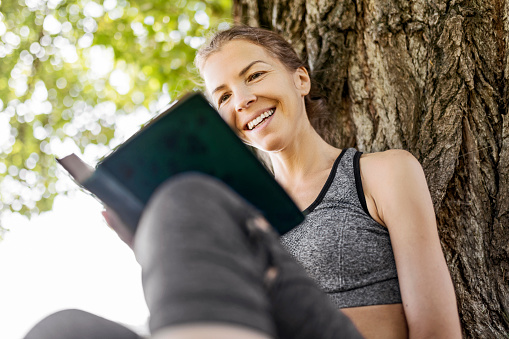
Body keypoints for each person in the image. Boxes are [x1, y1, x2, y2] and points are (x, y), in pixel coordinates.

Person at [25, 25, 461, 339]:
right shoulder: (228, 213)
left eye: (253, 75)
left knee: (186, 197)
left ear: (300, 78)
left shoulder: (382, 171)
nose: (244, 99)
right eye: (224, 97)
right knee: (62, 328)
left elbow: (438, 329)